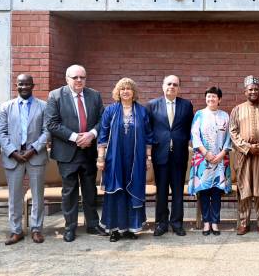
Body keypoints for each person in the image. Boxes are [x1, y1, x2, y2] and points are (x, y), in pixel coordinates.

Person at [46, 64, 106, 242]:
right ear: (67, 79)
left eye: (82, 77)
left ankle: (93, 224)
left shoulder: (94, 95)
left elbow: (103, 120)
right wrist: (75, 137)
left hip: (89, 151)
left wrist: (91, 134)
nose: (79, 80)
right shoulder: (55, 96)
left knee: (90, 191)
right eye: (75, 77)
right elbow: (52, 123)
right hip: (67, 152)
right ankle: (70, 227)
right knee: (69, 191)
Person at [96, 78, 153, 242]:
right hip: (115, 159)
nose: (126, 91)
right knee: (116, 191)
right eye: (122, 89)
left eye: (129, 88)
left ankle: (130, 228)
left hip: (136, 159)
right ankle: (114, 229)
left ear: (133, 92)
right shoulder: (110, 111)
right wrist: (101, 158)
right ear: (118, 92)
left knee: (133, 189)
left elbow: (149, 136)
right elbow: (103, 136)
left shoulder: (142, 111)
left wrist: (148, 158)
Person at [0, 74, 49, 245]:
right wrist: (12, 152)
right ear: (16, 85)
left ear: (33, 86)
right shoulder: (6, 107)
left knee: (37, 195)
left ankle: (36, 229)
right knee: (14, 195)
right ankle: (16, 230)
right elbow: (0, 132)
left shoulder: (43, 106)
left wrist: (33, 149)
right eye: (21, 84)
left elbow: (47, 131)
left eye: (27, 84)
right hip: (14, 158)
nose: (24, 87)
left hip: (36, 156)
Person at [229, 75, 259, 236]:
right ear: (245, 91)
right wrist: (247, 147)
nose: (253, 92)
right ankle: (244, 223)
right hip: (243, 156)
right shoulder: (237, 109)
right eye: (250, 89)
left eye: (256, 89)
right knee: (244, 189)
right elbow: (233, 131)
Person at [148, 75, 194, 236]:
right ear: (163, 86)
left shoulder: (186, 105)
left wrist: (182, 141)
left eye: (175, 84)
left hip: (179, 155)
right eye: (169, 84)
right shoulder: (152, 105)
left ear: (179, 88)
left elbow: (190, 128)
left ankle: (177, 223)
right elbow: (148, 130)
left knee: (178, 191)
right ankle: (161, 224)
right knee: (161, 192)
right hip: (160, 154)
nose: (172, 87)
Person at [188, 87, 232, 236]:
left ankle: (215, 222)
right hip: (203, 160)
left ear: (219, 99)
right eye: (208, 97)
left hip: (220, 160)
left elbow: (229, 137)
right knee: (205, 191)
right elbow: (195, 135)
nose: (211, 99)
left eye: (214, 97)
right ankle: (206, 222)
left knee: (216, 192)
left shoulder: (225, 116)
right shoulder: (199, 115)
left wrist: (222, 154)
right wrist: (205, 153)